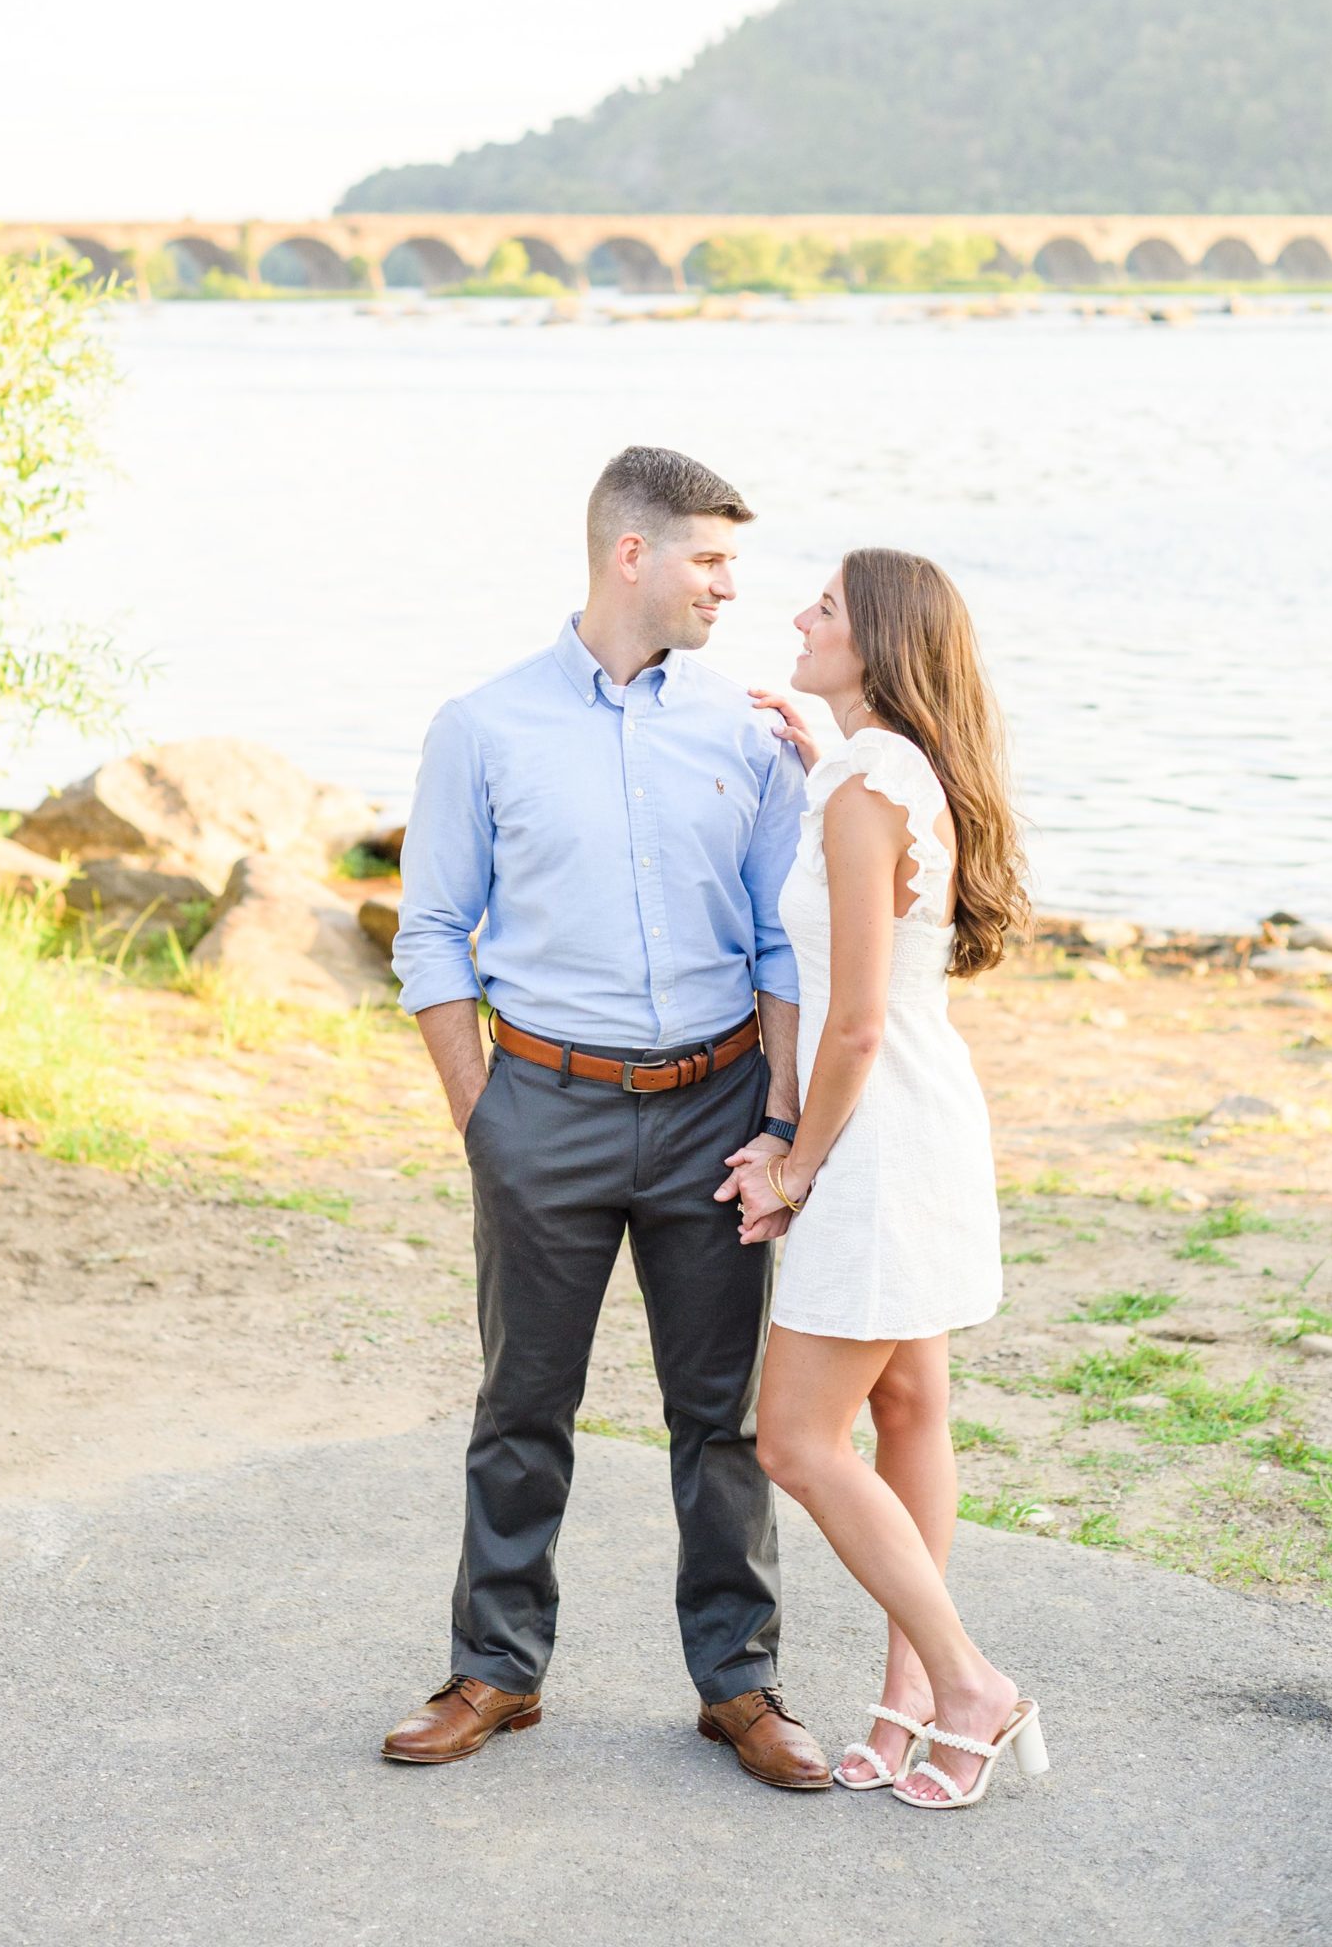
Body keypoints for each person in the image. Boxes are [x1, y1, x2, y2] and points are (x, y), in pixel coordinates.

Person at [382, 446, 831, 1790]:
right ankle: (494, 1673)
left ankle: (738, 1687)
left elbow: (777, 946)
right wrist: (486, 1117)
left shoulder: (747, 732)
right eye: (707, 559)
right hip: (543, 1109)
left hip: (711, 1115)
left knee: (723, 1417)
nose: (729, 588)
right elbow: (430, 935)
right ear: (628, 554)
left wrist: (780, 1120)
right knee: (522, 1404)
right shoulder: (483, 725)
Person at [717, 547, 1050, 1812]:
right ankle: (910, 1696)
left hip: (877, 1133)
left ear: (879, 645)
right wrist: (819, 764)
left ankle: (965, 1682)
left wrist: (791, 1162)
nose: (798, 617)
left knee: (797, 1438)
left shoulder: (869, 781)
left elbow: (850, 1017)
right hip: (922, 1112)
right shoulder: (878, 771)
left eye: (826, 608)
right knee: (908, 1408)